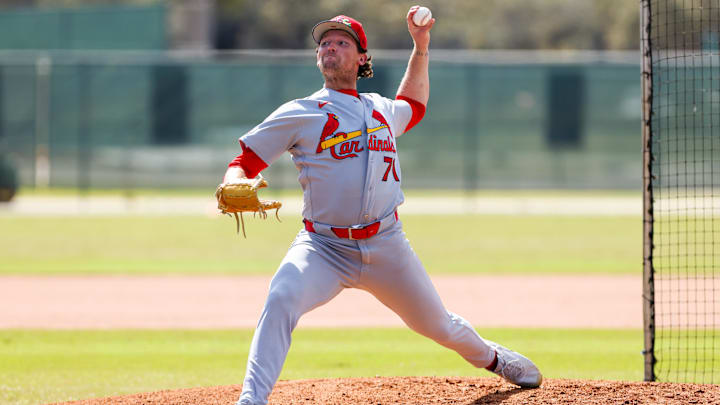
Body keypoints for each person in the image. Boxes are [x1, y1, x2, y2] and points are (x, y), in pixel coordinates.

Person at [221, 8, 542, 405]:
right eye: (324, 42)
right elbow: (244, 162)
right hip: (323, 247)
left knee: (438, 325)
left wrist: (420, 46)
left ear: (362, 59)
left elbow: (415, 104)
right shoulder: (300, 112)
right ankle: (252, 400)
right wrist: (234, 183)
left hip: (387, 243)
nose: (330, 47)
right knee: (281, 297)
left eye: (342, 42)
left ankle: (495, 358)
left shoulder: (381, 109)